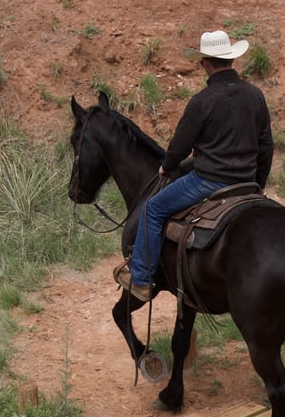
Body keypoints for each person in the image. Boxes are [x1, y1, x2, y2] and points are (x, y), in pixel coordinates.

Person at [114, 30, 274, 302]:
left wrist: (167, 165)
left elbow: (180, 145)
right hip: (246, 181)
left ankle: (141, 279)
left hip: (209, 181)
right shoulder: (255, 95)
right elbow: (266, 146)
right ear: (231, 60)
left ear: (206, 63)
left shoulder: (202, 101)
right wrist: (258, 183)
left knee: (152, 210)